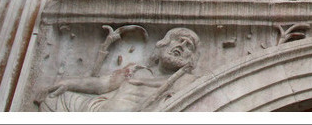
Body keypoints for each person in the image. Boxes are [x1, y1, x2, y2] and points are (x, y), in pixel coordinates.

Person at [38, 28, 200, 112]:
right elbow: (103, 84)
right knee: (55, 99)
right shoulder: (136, 70)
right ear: (163, 44)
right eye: (177, 41)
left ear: (190, 59)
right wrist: (67, 83)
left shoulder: (187, 81)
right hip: (102, 111)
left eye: (188, 46)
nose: (181, 46)